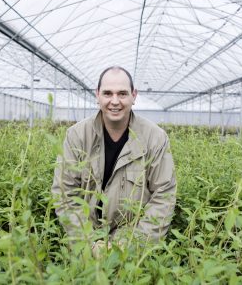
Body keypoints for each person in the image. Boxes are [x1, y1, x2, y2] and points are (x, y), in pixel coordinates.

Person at [52, 66, 176, 254]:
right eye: (108, 93)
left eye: (122, 94)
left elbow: (164, 195)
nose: (115, 101)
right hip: (86, 240)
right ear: (97, 95)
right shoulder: (77, 136)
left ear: (134, 96)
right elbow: (65, 193)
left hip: (133, 244)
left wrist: (130, 245)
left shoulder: (155, 138)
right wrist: (88, 243)